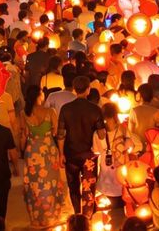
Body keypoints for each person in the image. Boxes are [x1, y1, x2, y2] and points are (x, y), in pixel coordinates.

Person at [21, 84, 71, 229]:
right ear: (38, 96)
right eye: (42, 93)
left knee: (35, 185)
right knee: (51, 183)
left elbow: (23, 136)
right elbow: (57, 132)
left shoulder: (24, 114)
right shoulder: (50, 112)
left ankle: (38, 217)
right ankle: (51, 216)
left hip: (32, 151)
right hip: (48, 150)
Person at [57, 76, 104, 214]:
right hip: (89, 155)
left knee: (73, 186)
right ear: (88, 89)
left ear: (74, 90)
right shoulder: (95, 109)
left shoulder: (66, 109)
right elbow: (101, 135)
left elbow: (61, 134)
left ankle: (77, 214)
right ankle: (88, 216)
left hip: (70, 153)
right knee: (88, 187)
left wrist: (61, 153)